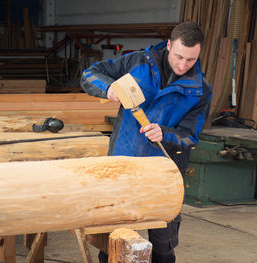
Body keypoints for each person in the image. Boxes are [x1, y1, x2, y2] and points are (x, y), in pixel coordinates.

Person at [80, 21, 212, 263]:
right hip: (121, 164)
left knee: (163, 246)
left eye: (191, 60)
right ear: (169, 45)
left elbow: (191, 136)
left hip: (164, 172)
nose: (183, 65)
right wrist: (108, 88)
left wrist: (165, 134)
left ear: (199, 54)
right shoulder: (137, 62)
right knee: (113, 243)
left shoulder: (201, 89)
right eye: (179, 57)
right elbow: (89, 74)